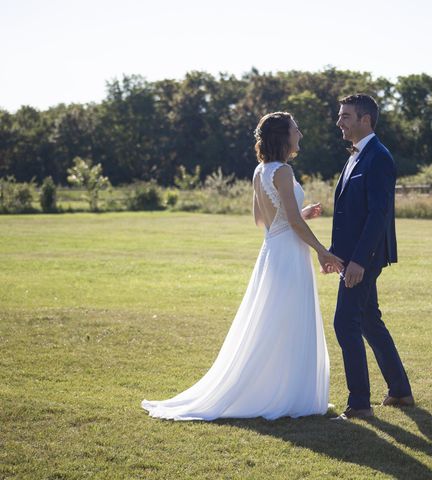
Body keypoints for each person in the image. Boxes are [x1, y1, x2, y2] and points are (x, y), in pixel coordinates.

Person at [141, 112, 343, 421]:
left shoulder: (259, 171)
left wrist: (299, 213)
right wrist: (323, 251)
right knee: (288, 320)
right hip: (288, 254)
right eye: (295, 130)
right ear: (283, 136)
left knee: (275, 319)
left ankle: (277, 388)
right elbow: (288, 222)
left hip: (273, 251)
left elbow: (263, 220)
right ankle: (286, 395)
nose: (300, 134)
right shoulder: (284, 172)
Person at [329, 94, 414, 420]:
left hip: (364, 259)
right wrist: (337, 254)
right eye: (340, 116)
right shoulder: (355, 156)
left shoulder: (379, 157)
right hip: (351, 256)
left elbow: (378, 215)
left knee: (345, 322)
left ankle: (360, 403)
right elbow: (349, 212)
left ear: (365, 120)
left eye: (346, 116)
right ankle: (400, 391)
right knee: (368, 321)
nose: (340, 122)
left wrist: (359, 261)